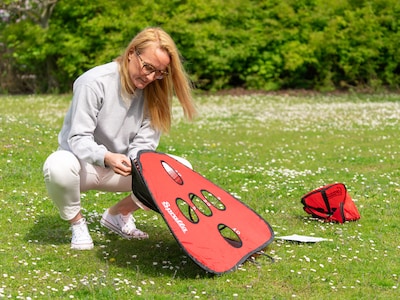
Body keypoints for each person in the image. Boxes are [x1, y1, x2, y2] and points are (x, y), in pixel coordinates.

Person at [43, 27, 196, 250]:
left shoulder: (155, 92)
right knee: (57, 165)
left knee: (181, 169)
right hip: (83, 167)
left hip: (121, 169)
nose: (151, 77)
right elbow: (78, 137)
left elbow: (144, 144)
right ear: (131, 53)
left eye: (160, 72)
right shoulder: (93, 82)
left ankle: (118, 214)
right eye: (148, 67)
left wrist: (134, 161)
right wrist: (106, 157)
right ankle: (77, 224)